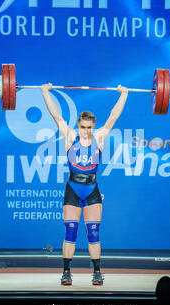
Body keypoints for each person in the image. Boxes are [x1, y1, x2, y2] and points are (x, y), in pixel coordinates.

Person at [41, 83, 128, 286]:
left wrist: (124, 94)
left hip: (92, 190)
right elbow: (56, 114)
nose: (86, 131)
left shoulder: (99, 136)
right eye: (83, 127)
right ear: (78, 125)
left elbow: (114, 117)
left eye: (89, 128)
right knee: (70, 230)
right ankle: (66, 272)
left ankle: (97, 272)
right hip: (72, 188)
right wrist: (45, 92)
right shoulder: (70, 135)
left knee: (93, 232)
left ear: (93, 126)